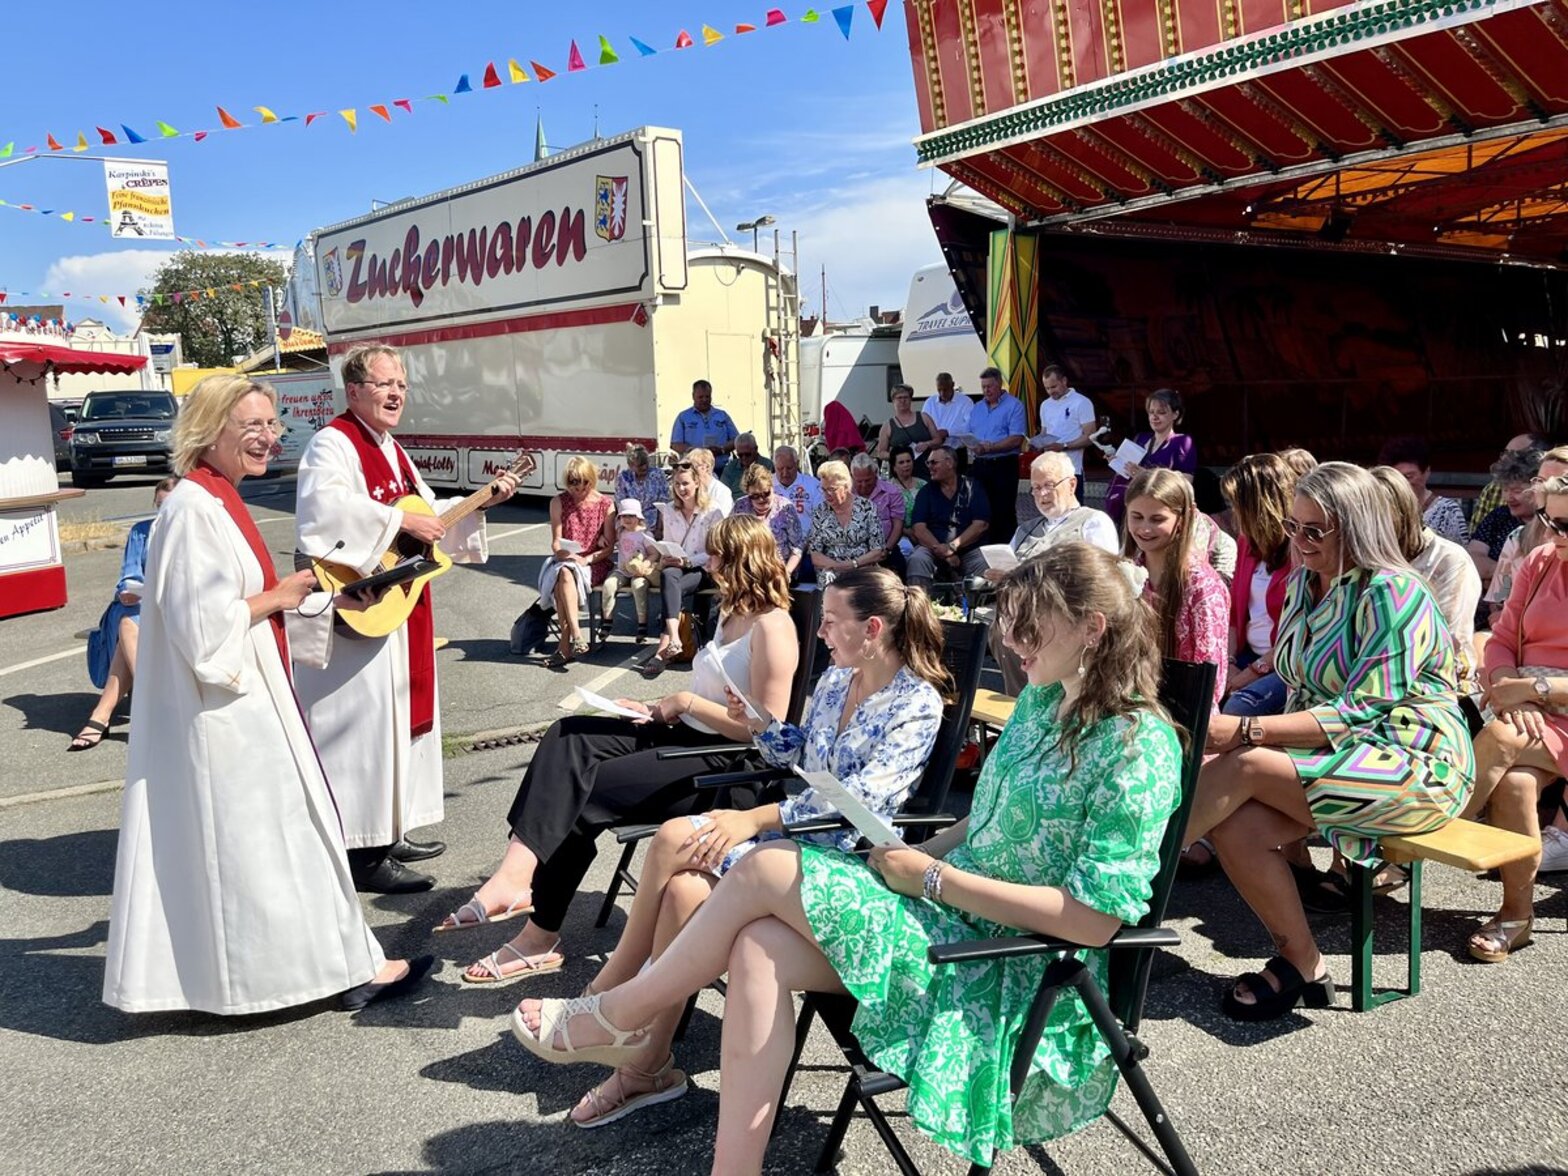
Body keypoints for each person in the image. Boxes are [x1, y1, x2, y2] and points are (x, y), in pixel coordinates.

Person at [510, 542, 1183, 1174]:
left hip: (1012, 970)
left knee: (763, 868)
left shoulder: (1137, 748)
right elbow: (986, 822)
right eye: (1010, 624)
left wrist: (934, 878)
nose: (1010, 642)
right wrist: (917, 856)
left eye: (1029, 628)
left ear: (1093, 630)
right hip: (946, 917)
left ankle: (613, 1015)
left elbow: (1095, 923)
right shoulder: (1042, 705)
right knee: (757, 946)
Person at [554, 568, 950, 1128]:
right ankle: (640, 1059)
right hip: (798, 841)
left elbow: (856, 805)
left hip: (852, 860)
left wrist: (754, 819)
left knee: (675, 841)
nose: (822, 632)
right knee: (683, 883)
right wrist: (761, 724)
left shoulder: (917, 703)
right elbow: (804, 757)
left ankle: (617, 1009)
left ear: (874, 629)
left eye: (832, 622)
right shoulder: (839, 680)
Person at [103, 375, 429, 1016]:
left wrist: (325, 599)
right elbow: (204, 631)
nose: (268, 436)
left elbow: (241, 607)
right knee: (273, 846)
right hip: (229, 713)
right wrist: (280, 597)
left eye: (272, 424)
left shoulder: (215, 499)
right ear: (209, 430)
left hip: (245, 701)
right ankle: (338, 973)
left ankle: (340, 969)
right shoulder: (194, 509)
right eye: (251, 425)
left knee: (277, 847)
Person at [441, 515, 798, 982]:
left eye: (715, 555)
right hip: (687, 733)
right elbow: (711, 698)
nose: (706, 562)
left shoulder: (774, 626)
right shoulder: (729, 611)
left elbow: (765, 734)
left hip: (728, 764)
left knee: (582, 789)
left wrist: (685, 702)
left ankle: (539, 935)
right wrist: (654, 708)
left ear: (742, 558)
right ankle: (516, 874)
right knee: (568, 736)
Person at [1191, 463, 1474, 1021]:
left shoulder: (1395, 593)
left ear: (1357, 526)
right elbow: (1300, 687)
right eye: (1293, 526)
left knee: (1243, 764)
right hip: (1337, 757)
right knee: (1235, 825)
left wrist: (1248, 732)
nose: (1297, 541)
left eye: (1313, 530)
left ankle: (1118, 881)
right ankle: (1304, 963)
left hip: (1416, 761)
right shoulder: (1301, 581)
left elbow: (1360, 708)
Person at [291, 344, 519, 895]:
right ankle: (362, 852)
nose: (396, 394)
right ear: (354, 391)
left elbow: (426, 514)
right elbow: (323, 510)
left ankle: (389, 830)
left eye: (402, 385)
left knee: (396, 722)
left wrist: (477, 503)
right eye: (385, 384)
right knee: (362, 731)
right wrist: (399, 519)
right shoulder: (332, 443)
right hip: (360, 604)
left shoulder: (392, 448)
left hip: (401, 604)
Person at [1464, 474, 1568, 962]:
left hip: (1555, 707)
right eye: (1551, 519)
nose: (1555, 533)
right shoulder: (1541, 560)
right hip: (1527, 707)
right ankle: (1516, 918)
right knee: (1517, 787)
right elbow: (1501, 636)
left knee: (1501, 738)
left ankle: (1422, 840)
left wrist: (1532, 689)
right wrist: (1513, 691)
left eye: (1567, 523)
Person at [985, 451, 1118, 694]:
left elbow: (1102, 580)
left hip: (1064, 618)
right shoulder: (1026, 529)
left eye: (1049, 485)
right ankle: (1020, 704)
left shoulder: (1093, 522)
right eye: (1035, 488)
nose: (1042, 494)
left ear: (1072, 484)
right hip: (1018, 616)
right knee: (996, 627)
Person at [70, 476, 179, 751]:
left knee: (128, 629)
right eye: (159, 505)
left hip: (173, 610)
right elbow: (128, 577)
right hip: (137, 606)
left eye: (170, 506)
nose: (163, 513)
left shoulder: (190, 535)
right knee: (129, 616)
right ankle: (154, 702)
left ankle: (102, 715)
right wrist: (126, 592)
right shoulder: (142, 532)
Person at [1123, 469, 1229, 710]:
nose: (1145, 528)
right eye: (1136, 517)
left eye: (1157, 519)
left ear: (1183, 519)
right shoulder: (1128, 572)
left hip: (1182, 711)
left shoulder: (1202, 587)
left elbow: (1209, 680)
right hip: (1132, 702)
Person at [1369, 466, 1482, 688]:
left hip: (1435, 681)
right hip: (1372, 674)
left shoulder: (1449, 559)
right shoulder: (1364, 555)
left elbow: (1449, 642)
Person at [1219, 453, 1296, 719]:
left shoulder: (1300, 552)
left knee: (1236, 707)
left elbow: (1297, 636)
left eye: (1236, 504)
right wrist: (1228, 665)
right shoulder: (1245, 543)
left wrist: (1249, 674)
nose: (1232, 512)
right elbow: (1233, 615)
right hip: (1243, 655)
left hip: (1283, 665)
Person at [645, 462, 724, 673]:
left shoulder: (713, 511)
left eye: (686, 484)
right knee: (669, 575)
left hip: (704, 568)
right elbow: (669, 541)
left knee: (671, 585)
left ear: (697, 483)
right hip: (677, 568)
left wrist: (688, 561)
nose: (681, 489)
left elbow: (716, 550)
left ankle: (665, 646)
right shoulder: (669, 509)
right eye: (677, 484)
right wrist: (667, 556)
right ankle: (675, 637)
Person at [538, 455, 614, 668]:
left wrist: (587, 559)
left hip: (594, 562)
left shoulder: (606, 505)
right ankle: (577, 635)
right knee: (564, 573)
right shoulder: (558, 502)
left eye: (584, 482)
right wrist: (563, 552)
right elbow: (555, 541)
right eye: (573, 482)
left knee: (563, 579)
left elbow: (608, 548)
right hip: (568, 560)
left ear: (592, 479)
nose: (579, 487)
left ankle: (565, 646)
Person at [1481, 446, 1568, 628]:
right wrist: (1501, 614)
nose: (1544, 490)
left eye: (1556, 483)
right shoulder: (1518, 538)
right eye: (1540, 482)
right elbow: (1499, 597)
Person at [1103, 388, 1198, 525]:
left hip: (1159, 511)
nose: (1155, 417)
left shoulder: (1183, 442)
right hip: (1130, 507)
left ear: (1175, 414)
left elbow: (1186, 482)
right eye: (1151, 412)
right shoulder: (1141, 438)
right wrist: (1116, 461)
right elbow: (1127, 471)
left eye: (1161, 412)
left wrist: (1147, 475)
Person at [907, 445, 990, 589]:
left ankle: (973, 607)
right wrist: (944, 552)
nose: (929, 467)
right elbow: (919, 529)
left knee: (987, 564)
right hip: (933, 549)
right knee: (917, 559)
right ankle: (919, 606)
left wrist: (952, 547)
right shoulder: (926, 492)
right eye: (928, 463)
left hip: (969, 550)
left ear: (950, 463)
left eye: (934, 462)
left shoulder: (973, 487)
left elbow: (981, 524)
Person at [966, 367, 1028, 544]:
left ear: (999, 384)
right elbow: (970, 433)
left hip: (1004, 464)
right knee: (980, 509)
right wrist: (973, 446)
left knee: (1004, 511)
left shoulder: (1014, 406)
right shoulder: (976, 408)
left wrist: (991, 447)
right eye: (983, 386)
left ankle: (1008, 548)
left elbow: (1016, 439)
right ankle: (983, 548)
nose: (986, 390)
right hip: (980, 465)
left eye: (990, 386)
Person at [1469, 447, 1544, 584]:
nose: (1509, 497)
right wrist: (1505, 574)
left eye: (1517, 491)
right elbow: (1473, 558)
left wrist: (1493, 576)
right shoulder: (1498, 516)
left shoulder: (1548, 522)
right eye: (1505, 490)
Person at [807, 459, 886, 586]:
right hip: (831, 571)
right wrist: (838, 566)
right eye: (823, 489)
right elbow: (815, 555)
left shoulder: (867, 508)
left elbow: (878, 551)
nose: (827, 495)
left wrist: (853, 564)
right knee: (830, 584)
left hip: (862, 569)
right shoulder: (820, 512)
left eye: (832, 489)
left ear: (846, 486)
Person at [1378, 435, 1468, 544]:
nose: (1402, 483)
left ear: (1426, 472)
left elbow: (1460, 555)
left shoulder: (1447, 511)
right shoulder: (1381, 508)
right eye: (1397, 477)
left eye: (1409, 476)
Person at [732, 464, 804, 581]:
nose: (761, 499)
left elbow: (797, 546)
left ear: (772, 487)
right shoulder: (740, 507)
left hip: (780, 570)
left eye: (766, 493)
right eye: (755, 496)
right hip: (747, 570)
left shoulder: (785, 508)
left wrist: (787, 572)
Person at [601, 499, 658, 645]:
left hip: (639, 572)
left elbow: (654, 554)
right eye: (623, 516)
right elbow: (607, 538)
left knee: (638, 587)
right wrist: (601, 539)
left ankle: (642, 624)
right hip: (622, 570)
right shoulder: (620, 532)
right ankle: (607, 620)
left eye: (631, 516)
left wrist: (645, 564)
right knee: (608, 585)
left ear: (639, 517)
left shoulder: (645, 534)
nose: (627, 519)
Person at [1473, 432, 1552, 521]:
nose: (1506, 459)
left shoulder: (1554, 518)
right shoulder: (1492, 492)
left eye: (1516, 455)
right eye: (1505, 453)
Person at [849, 452, 907, 577]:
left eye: (867, 480)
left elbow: (898, 525)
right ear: (852, 476)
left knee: (898, 569)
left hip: (884, 550)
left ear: (875, 474)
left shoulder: (891, 492)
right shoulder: (846, 493)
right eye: (859, 481)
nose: (863, 485)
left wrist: (887, 549)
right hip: (853, 552)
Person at [1035, 364, 1097, 475]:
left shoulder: (1082, 402)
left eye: (1053, 387)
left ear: (1064, 381)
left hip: (1072, 470)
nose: (1050, 392)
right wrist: (1036, 443)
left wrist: (1063, 446)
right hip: (1049, 469)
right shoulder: (1045, 405)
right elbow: (1044, 432)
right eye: (1047, 388)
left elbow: (1090, 437)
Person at [670, 379, 737, 471]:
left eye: (707, 396)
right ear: (693, 396)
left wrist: (722, 449)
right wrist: (697, 452)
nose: (704, 400)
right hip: (693, 470)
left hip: (721, 469)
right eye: (700, 397)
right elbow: (675, 444)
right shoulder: (683, 417)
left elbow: (736, 440)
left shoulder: (722, 415)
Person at [921, 372, 974, 475]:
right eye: (939, 390)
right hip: (934, 452)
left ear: (953, 385)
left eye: (945, 389)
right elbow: (924, 424)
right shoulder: (930, 403)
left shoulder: (965, 402)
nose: (942, 393)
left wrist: (948, 432)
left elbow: (970, 426)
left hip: (956, 452)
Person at [873, 384, 935, 467]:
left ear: (910, 399)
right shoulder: (887, 426)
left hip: (926, 466)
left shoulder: (924, 417)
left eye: (906, 397)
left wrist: (927, 444)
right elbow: (881, 453)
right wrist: (897, 456)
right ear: (893, 401)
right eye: (899, 398)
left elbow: (938, 440)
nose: (903, 400)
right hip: (902, 470)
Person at [615, 445, 670, 535]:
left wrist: (660, 529)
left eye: (646, 464)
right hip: (630, 526)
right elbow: (621, 505)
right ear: (631, 465)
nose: (644, 468)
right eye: (640, 465)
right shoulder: (623, 478)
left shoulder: (658, 475)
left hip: (654, 526)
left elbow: (663, 504)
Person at [771, 444, 821, 522]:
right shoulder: (766, 485)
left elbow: (821, 517)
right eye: (780, 469)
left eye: (789, 468)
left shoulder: (813, 485)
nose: (785, 473)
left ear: (797, 464)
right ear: (774, 466)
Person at [719, 432, 772, 497]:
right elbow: (722, 493)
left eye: (747, 454)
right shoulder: (730, 468)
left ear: (756, 449)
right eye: (740, 455)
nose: (744, 458)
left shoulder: (767, 465)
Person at [683, 446, 733, 515]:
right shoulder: (690, 488)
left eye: (693, 467)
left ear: (706, 467)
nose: (689, 470)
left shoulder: (722, 491)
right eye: (687, 467)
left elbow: (723, 520)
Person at [889, 444, 925, 532]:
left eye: (908, 461)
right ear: (894, 467)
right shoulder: (888, 488)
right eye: (901, 462)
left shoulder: (924, 484)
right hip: (899, 534)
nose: (906, 465)